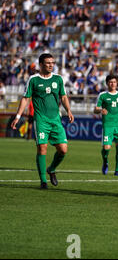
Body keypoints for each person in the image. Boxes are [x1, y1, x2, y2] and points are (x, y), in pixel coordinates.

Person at [11, 53, 74, 189]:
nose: (51, 65)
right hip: (41, 120)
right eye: (48, 63)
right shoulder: (33, 80)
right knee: (42, 148)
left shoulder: (58, 79)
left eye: (52, 62)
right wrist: (18, 116)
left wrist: (68, 110)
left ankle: (51, 169)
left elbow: (63, 96)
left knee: (63, 150)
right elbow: (26, 98)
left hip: (55, 120)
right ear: (40, 64)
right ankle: (43, 181)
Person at [94, 74, 118, 176]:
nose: (113, 84)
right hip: (108, 125)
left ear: (117, 83)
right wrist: (101, 110)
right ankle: (105, 161)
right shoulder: (102, 95)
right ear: (107, 83)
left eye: (114, 82)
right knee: (107, 147)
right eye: (111, 82)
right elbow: (95, 109)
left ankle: (117, 170)